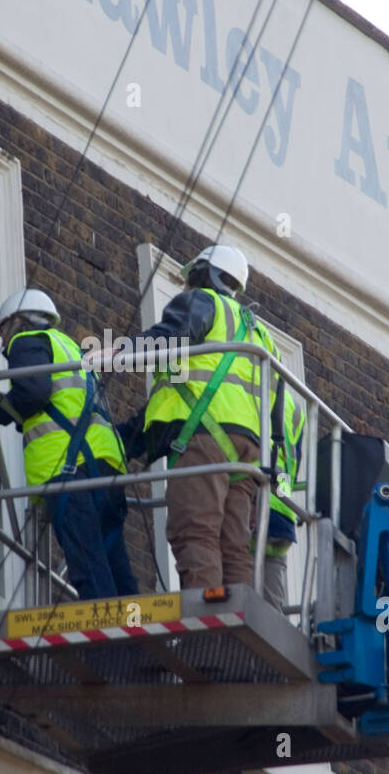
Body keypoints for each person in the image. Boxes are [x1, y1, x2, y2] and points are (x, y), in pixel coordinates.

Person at [121, 245, 283, 591]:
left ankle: (207, 621)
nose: (187, 286)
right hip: (249, 453)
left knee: (194, 529)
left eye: (193, 277)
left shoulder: (202, 302)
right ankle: (239, 620)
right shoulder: (261, 335)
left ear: (205, 274)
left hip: (207, 438)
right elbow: (276, 407)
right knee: (233, 543)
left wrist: (115, 353)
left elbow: (167, 339)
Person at [0, 289, 137, 601]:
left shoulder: (26, 341)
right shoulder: (70, 349)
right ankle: (138, 636)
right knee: (113, 559)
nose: (4, 343)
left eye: (3, 332)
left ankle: (107, 646)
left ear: (16, 322)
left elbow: (33, 392)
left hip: (69, 472)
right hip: (106, 466)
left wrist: (0, 410)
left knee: (88, 565)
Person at [250, 391, 306, 613]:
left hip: (251, 503)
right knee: (271, 612)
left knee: (239, 602)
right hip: (283, 514)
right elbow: (293, 465)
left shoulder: (241, 379)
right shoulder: (293, 405)